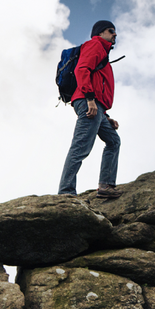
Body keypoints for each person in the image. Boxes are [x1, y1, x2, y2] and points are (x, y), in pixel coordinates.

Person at [59, 20, 121, 198]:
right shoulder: (95, 45)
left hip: (97, 106)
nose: (115, 34)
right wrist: (90, 99)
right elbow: (82, 69)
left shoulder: (103, 54)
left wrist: (106, 115)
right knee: (80, 146)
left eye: (115, 31)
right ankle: (66, 192)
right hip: (88, 101)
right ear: (100, 33)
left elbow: (98, 85)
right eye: (111, 31)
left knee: (113, 141)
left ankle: (106, 186)